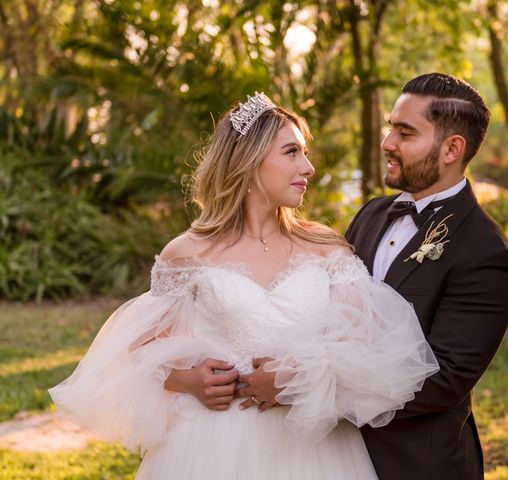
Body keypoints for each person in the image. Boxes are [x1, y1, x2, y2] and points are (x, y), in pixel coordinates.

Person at [49, 92, 439, 479]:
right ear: (250, 161)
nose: (308, 167)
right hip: (209, 447)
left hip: (312, 451)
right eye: (291, 152)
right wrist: (188, 380)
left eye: (304, 153)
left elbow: (364, 346)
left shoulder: (326, 248)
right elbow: (139, 356)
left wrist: (297, 376)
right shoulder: (185, 254)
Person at [344, 73, 508, 479]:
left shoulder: (487, 253)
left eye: (405, 133)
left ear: (451, 149)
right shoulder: (371, 214)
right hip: (338, 454)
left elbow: (445, 379)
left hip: (415, 463)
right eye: (391, 128)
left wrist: (324, 390)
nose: (388, 143)